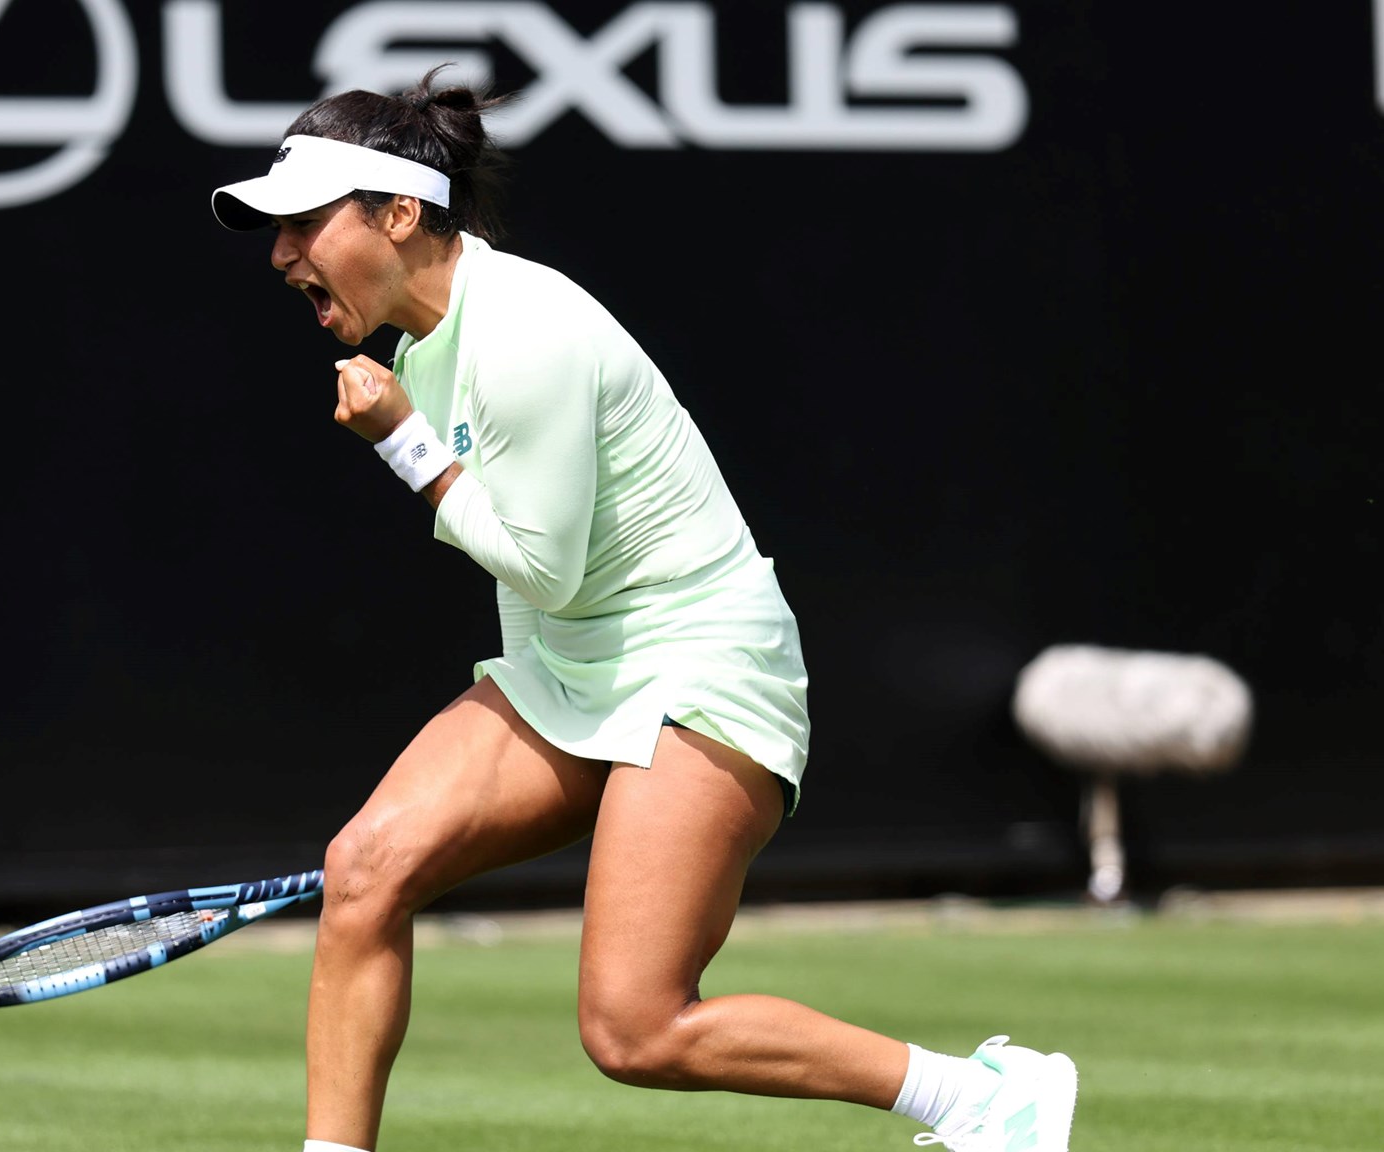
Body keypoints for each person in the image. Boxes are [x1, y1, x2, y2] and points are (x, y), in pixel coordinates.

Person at [209, 70, 1078, 1152]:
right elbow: (555, 598)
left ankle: (982, 1097)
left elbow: (546, 570)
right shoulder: (419, 349)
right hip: (571, 671)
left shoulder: (524, 329)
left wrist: (405, 446)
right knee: (366, 870)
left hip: (699, 670)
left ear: (398, 213)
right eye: (275, 232)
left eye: (302, 224)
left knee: (634, 1027)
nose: (282, 255)